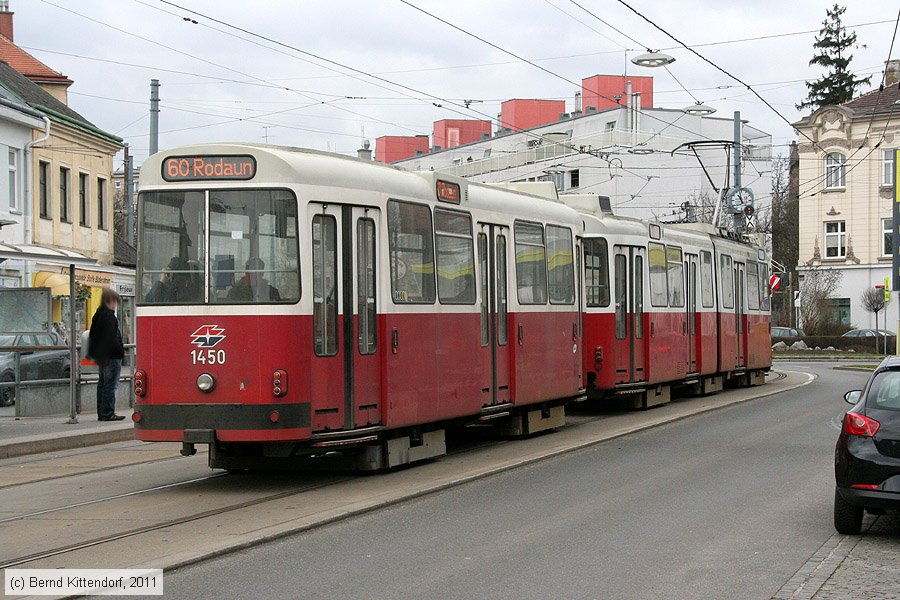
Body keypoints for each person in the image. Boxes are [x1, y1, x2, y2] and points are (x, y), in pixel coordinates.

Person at [88, 288, 126, 421]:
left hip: (102, 356)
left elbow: (92, 335)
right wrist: (120, 351)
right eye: (115, 301)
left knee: (103, 384)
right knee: (110, 385)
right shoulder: (109, 317)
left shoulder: (98, 315)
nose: (115, 304)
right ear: (110, 300)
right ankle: (108, 413)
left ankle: (102, 412)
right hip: (112, 356)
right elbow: (111, 338)